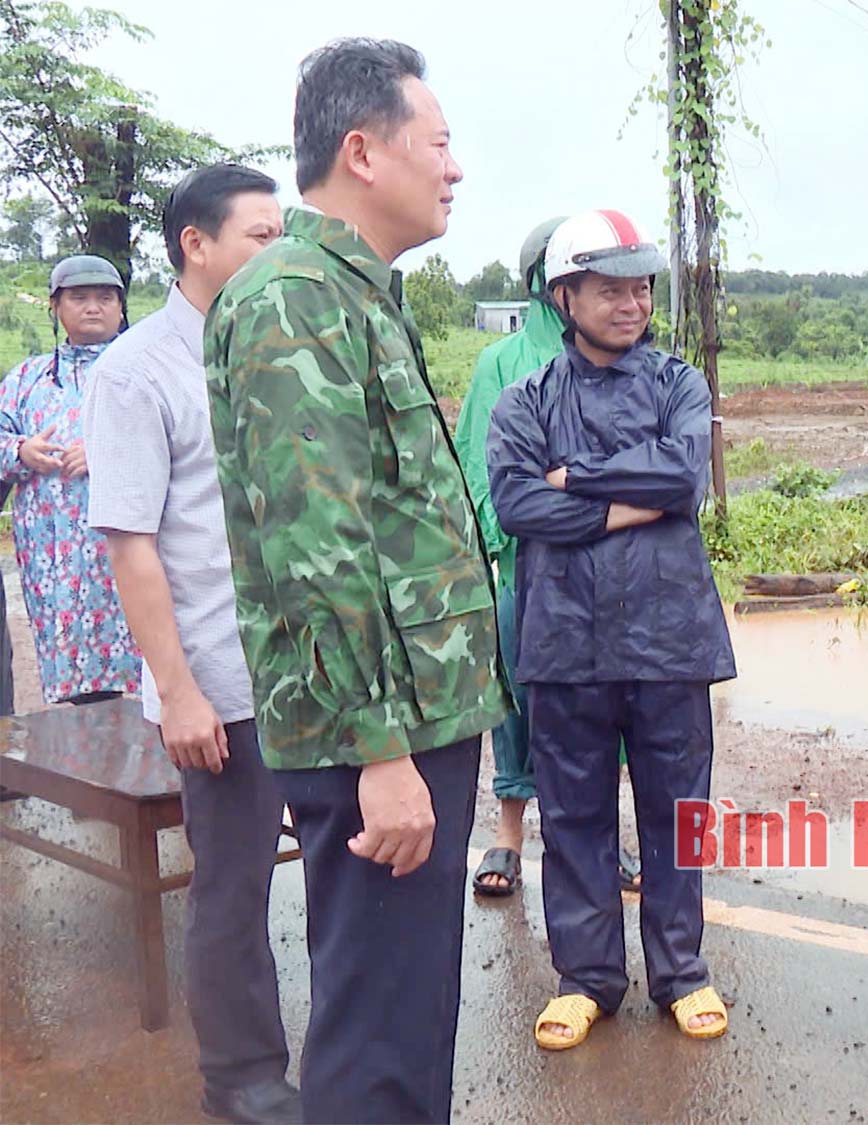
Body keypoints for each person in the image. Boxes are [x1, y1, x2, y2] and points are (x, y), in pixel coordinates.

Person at [204, 39, 507, 1124]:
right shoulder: (294, 297)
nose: (455, 168)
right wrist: (381, 753)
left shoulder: (354, 292)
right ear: (362, 151)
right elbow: (314, 547)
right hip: (373, 730)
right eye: (438, 143)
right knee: (377, 1035)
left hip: (409, 714)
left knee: (407, 1011)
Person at [486, 208, 735, 1048]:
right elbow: (519, 503)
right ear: (564, 295)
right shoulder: (526, 400)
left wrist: (580, 480)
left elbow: (682, 476)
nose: (631, 303)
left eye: (640, 287)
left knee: (677, 812)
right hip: (565, 639)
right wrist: (628, 506)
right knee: (574, 814)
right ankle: (586, 976)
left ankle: (681, 970)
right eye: (610, 288)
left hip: (670, 637)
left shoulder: (678, 385)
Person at [81, 163, 299, 1125]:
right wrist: (179, 691)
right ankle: (242, 1077)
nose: (279, 249)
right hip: (219, 678)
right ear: (195, 245)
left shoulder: (282, 350)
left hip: (307, 672)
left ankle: (335, 1051)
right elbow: (130, 542)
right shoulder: (136, 371)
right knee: (235, 885)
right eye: (261, 233)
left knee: (342, 866)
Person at [456, 217, 642, 899]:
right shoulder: (500, 365)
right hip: (525, 566)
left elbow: (650, 472)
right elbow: (479, 468)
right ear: (548, 283)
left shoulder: (627, 358)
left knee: (608, 706)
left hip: (609, 569)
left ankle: (604, 838)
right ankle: (508, 835)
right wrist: (507, 540)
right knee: (517, 701)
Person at [0, 254, 143, 705]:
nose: (93, 307)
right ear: (55, 307)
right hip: (51, 555)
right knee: (71, 687)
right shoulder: (27, 378)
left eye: (105, 298)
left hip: (124, 547)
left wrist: (107, 455)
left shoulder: (142, 370)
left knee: (144, 671)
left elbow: (185, 439)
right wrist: (20, 451)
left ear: (121, 308)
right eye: (78, 298)